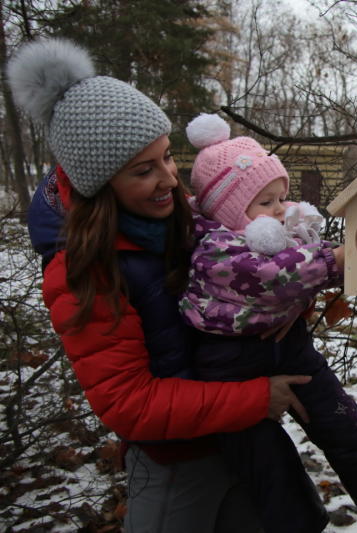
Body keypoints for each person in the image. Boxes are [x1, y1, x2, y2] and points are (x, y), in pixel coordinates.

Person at [9, 37, 319, 532]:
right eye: (144, 170)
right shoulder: (84, 271)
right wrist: (256, 399)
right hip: (177, 468)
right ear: (99, 183)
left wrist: (287, 306)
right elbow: (128, 403)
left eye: (168, 158)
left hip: (245, 445)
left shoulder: (188, 220)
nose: (171, 181)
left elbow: (244, 282)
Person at [177, 112, 357, 530]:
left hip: (289, 346)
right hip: (230, 365)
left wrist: (356, 255)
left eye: (282, 197)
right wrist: (336, 259)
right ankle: (298, 523)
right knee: (267, 461)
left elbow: (306, 260)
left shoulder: (280, 231)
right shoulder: (216, 250)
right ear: (226, 209)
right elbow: (273, 276)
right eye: (267, 202)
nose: (281, 210)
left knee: (340, 416)